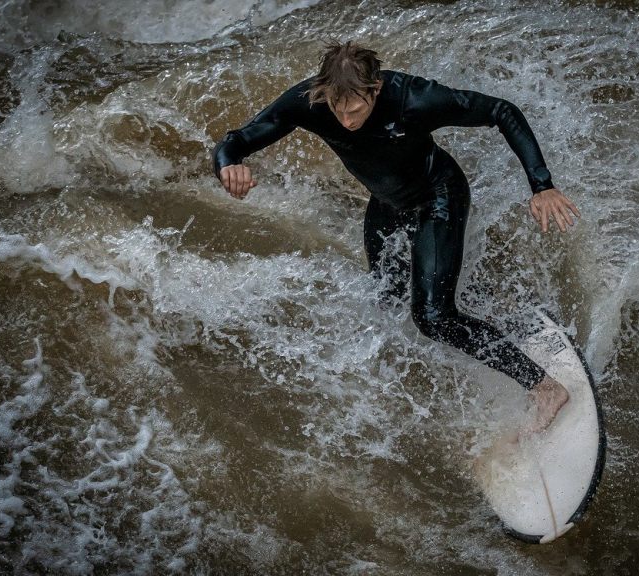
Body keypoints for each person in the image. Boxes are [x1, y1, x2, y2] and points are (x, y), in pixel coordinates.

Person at [213, 42, 580, 432]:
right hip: (386, 205)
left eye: (354, 109)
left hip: (436, 198)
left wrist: (542, 185)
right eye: (337, 110)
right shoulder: (310, 102)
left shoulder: (414, 99)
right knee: (386, 297)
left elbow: (501, 111)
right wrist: (228, 164)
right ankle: (476, 309)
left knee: (433, 317)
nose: (346, 120)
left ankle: (544, 387)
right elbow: (238, 139)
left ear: (374, 89)